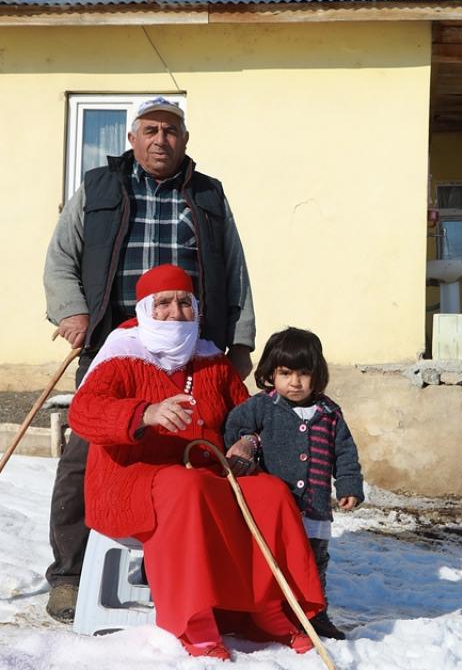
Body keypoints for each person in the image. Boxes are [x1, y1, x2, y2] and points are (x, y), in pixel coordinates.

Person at [43, 95, 256, 621]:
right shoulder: (97, 187)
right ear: (133, 137)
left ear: (185, 140)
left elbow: (234, 268)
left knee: (195, 446)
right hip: (115, 340)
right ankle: (69, 574)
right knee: (85, 454)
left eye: (172, 130)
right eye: (151, 129)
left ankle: (204, 567)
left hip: (189, 343)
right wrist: (71, 312)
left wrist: (242, 339)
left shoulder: (208, 194)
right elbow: (60, 259)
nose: (162, 139)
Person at [67, 264, 323, 661]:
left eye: (185, 302)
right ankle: (193, 618)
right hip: (130, 481)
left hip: (206, 473)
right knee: (186, 487)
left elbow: (250, 415)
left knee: (268, 492)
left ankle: (270, 607)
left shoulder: (211, 361)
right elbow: (83, 413)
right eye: (164, 303)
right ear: (146, 309)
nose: (175, 312)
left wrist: (247, 443)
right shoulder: (121, 355)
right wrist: (145, 414)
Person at [223, 327, 365, 641]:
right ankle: (275, 611)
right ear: (271, 373)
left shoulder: (329, 413)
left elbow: (345, 452)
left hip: (314, 505)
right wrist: (247, 444)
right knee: (277, 559)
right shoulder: (263, 406)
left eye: (303, 373)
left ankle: (316, 614)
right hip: (278, 508)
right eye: (285, 373)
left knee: (315, 562)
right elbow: (235, 426)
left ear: (317, 374)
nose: (295, 382)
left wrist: (349, 486)